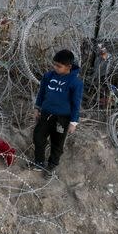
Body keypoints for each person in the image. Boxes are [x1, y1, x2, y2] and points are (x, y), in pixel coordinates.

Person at [31, 49, 83, 179]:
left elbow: (76, 103)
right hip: (46, 114)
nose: (55, 67)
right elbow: (42, 93)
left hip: (62, 119)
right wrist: (37, 108)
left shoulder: (75, 83)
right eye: (54, 64)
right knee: (38, 137)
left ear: (69, 67)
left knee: (57, 143)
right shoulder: (48, 76)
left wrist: (73, 122)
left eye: (59, 66)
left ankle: (52, 165)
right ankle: (39, 162)